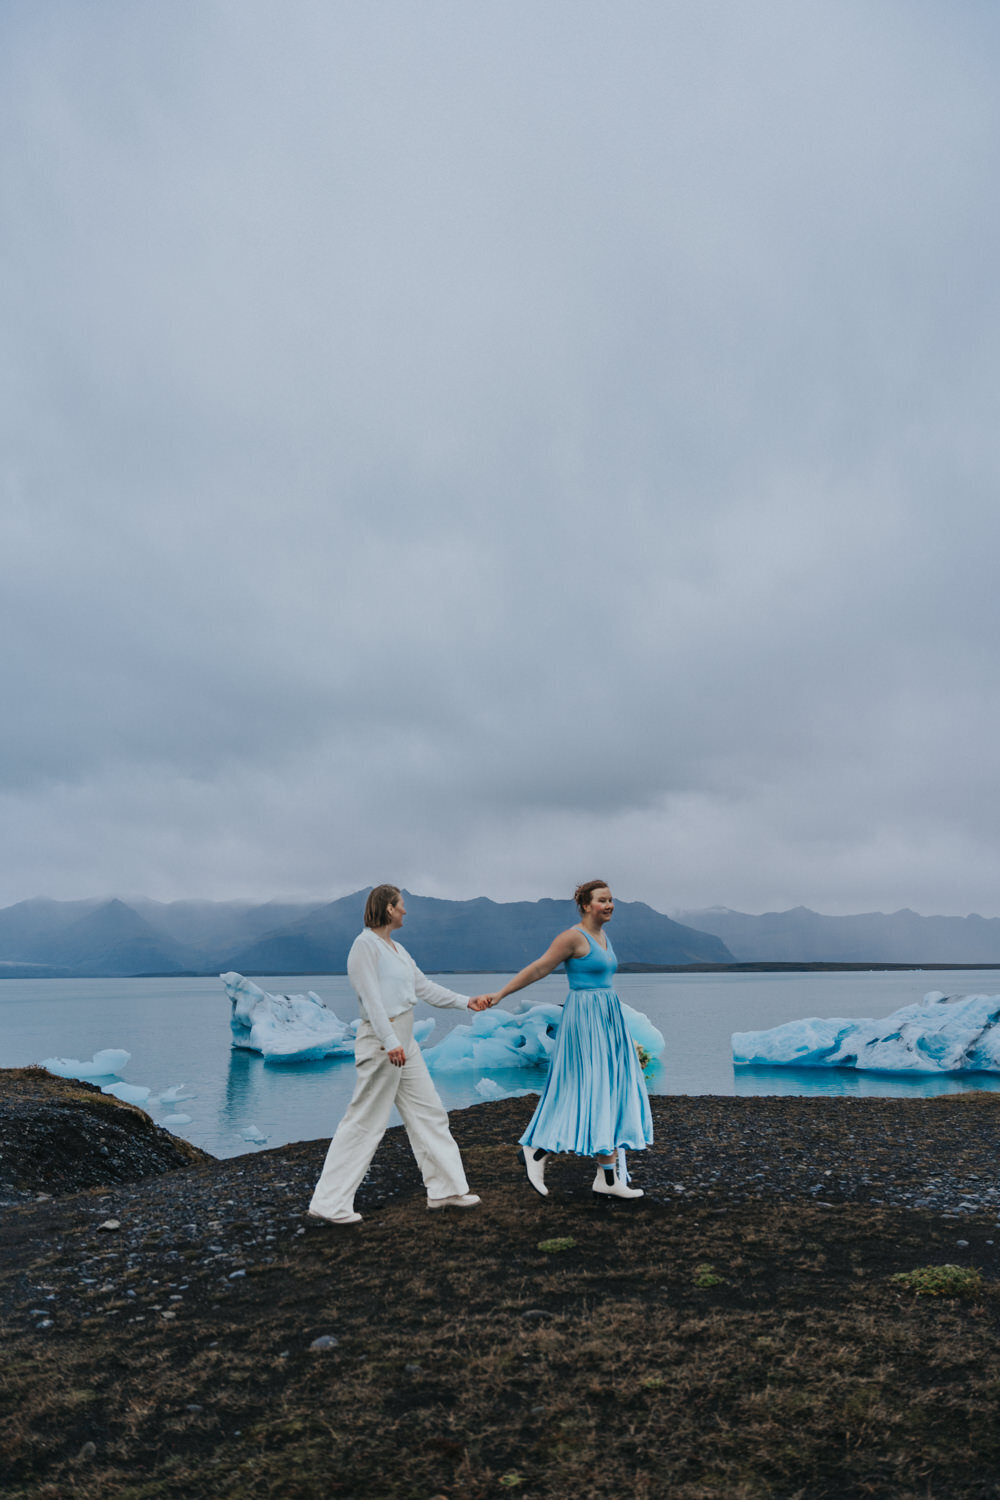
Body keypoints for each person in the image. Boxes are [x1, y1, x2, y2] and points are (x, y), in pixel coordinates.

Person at [309, 884, 494, 1224]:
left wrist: (466, 1001)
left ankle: (445, 1189)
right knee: (365, 1122)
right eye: (401, 906)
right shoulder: (364, 947)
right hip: (385, 1042)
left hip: (405, 1040)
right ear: (387, 908)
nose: (405, 911)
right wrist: (390, 1039)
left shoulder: (395, 949)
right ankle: (328, 1203)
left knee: (430, 1113)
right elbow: (371, 999)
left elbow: (423, 988)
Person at [488, 879, 652, 1200]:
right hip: (584, 1020)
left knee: (610, 1089)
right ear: (585, 905)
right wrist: (500, 994)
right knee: (585, 1087)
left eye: (611, 899)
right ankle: (537, 1150)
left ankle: (607, 1178)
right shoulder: (571, 938)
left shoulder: (604, 936)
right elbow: (538, 969)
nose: (609, 905)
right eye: (602, 900)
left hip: (608, 1017)